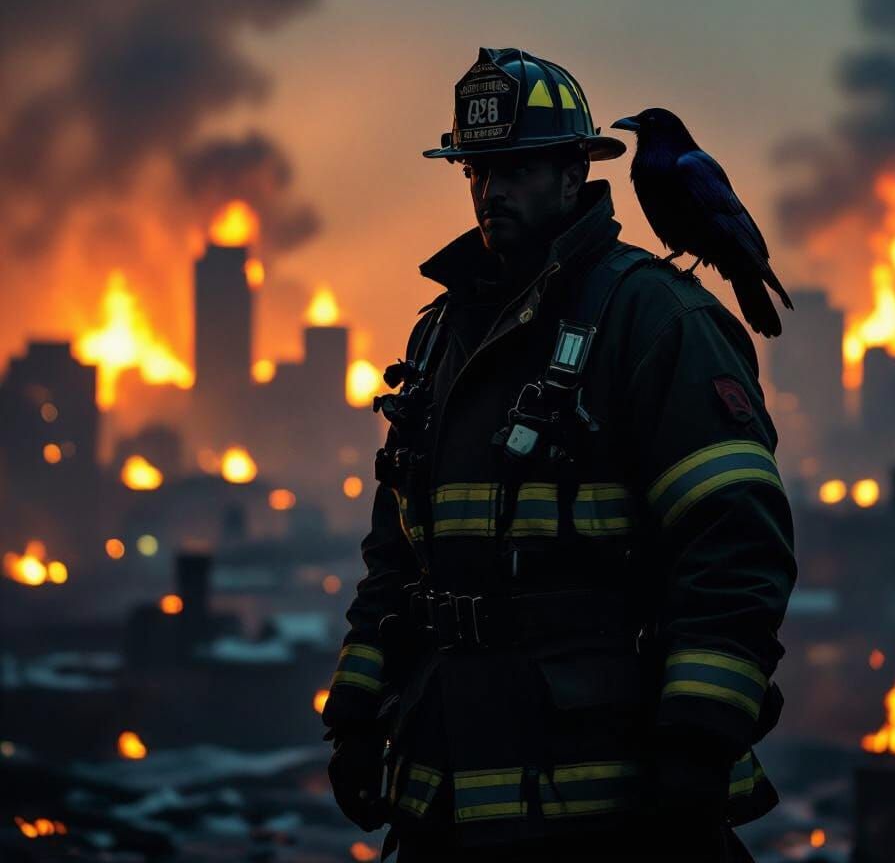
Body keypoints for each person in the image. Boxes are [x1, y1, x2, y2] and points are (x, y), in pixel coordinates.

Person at [322, 47, 797, 861]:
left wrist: (697, 739)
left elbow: (736, 548)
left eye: (518, 168)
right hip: (444, 801)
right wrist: (356, 715)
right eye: (477, 169)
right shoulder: (440, 338)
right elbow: (396, 557)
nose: (490, 190)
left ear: (576, 174)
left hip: (608, 805)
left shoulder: (656, 321)